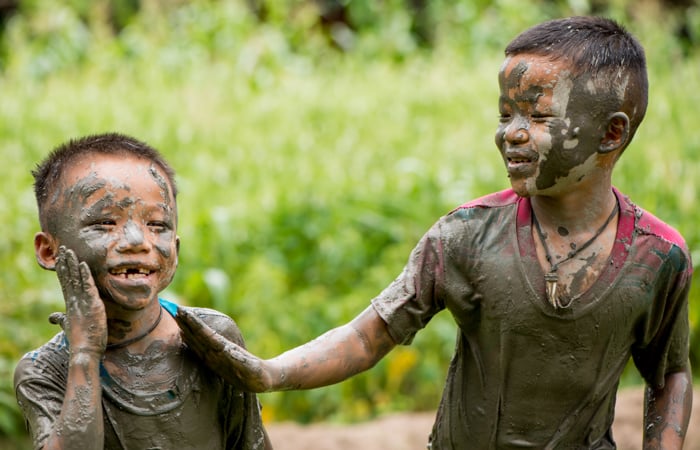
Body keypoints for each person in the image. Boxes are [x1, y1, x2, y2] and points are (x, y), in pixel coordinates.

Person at [175, 16, 693, 449]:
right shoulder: (465, 236)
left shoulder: (658, 256)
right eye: (504, 113)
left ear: (611, 132)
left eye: (536, 115)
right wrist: (270, 373)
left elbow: (669, 373)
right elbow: (368, 334)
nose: (510, 133)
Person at [14, 133, 273, 450]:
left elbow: (251, 442)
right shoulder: (45, 370)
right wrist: (84, 353)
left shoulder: (211, 340)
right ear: (49, 250)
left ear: (175, 249)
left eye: (157, 225)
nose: (138, 240)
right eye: (106, 222)